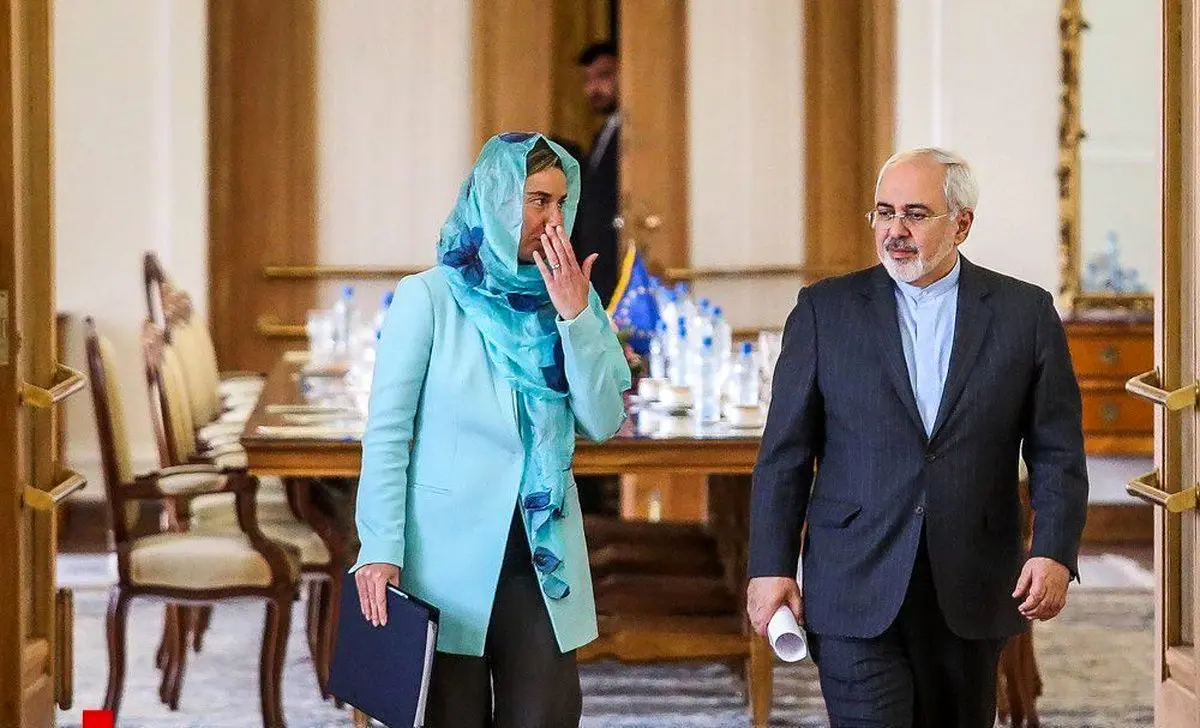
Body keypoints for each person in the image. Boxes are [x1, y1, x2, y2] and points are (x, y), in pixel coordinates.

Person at [747, 147, 1089, 727]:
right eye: (884, 212)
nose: (895, 230)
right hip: (854, 579)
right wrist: (770, 565)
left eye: (915, 214)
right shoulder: (825, 311)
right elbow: (785, 454)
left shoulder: (1024, 313)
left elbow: (1057, 451)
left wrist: (1054, 549)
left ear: (962, 224)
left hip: (972, 582)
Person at [351, 132, 632, 727]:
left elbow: (604, 421)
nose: (553, 219)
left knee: (545, 716)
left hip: (541, 558)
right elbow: (388, 435)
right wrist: (379, 548)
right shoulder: (427, 297)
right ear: (496, 200)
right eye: (538, 201)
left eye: (562, 202)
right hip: (442, 561)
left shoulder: (571, 297)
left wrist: (576, 317)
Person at [573, 40, 621, 308]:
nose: (594, 88)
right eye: (587, 80)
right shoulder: (602, 134)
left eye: (604, 76)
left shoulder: (634, 136)